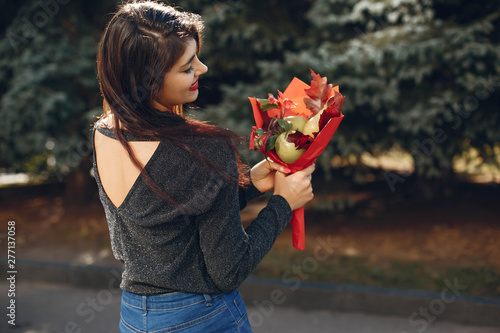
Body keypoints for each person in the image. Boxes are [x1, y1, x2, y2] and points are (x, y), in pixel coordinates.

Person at [92, 1, 315, 332]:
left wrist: (247, 183)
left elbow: (168, 220)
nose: (204, 68)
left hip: (136, 317)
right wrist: (283, 204)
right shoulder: (204, 150)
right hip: (200, 317)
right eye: (186, 67)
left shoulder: (105, 132)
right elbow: (229, 270)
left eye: (196, 56)